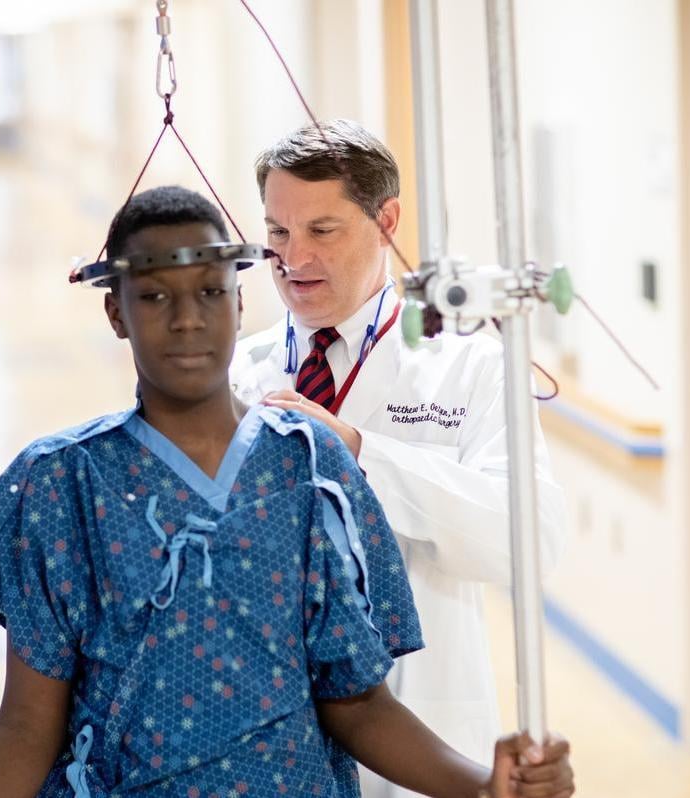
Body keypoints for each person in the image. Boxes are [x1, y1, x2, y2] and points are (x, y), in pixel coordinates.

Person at [0, 186, 574, 797]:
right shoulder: (61, 483)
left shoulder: (310, 466)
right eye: (156, 296)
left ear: (240, 304)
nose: (187, 319)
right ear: (116, 312)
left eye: (211, 292)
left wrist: (484, 788)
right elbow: (24, 727)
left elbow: (357, 703)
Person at [230, 120, 569, 777]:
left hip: (423, 731)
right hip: (265, 736)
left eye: (321, 231)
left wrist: (357, 453)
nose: (294, 260)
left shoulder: (468, 367)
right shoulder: (238, 375)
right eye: (277, 233)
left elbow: (530, 540)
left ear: (385, 219)